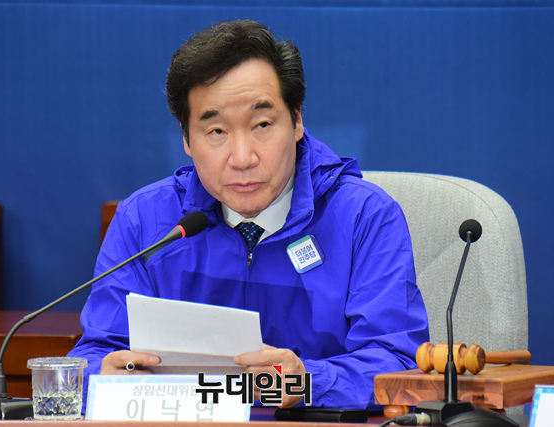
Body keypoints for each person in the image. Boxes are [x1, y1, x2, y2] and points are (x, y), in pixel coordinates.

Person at [68, 19, 429, 411]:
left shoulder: (365, 217)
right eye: (216, 131)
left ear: (296, 121)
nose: (242, 158)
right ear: (186, 139)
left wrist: (307, 383)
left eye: (262, 125)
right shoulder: (145, 221)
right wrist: (103, 378)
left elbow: (399, 366)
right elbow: (95, 354)